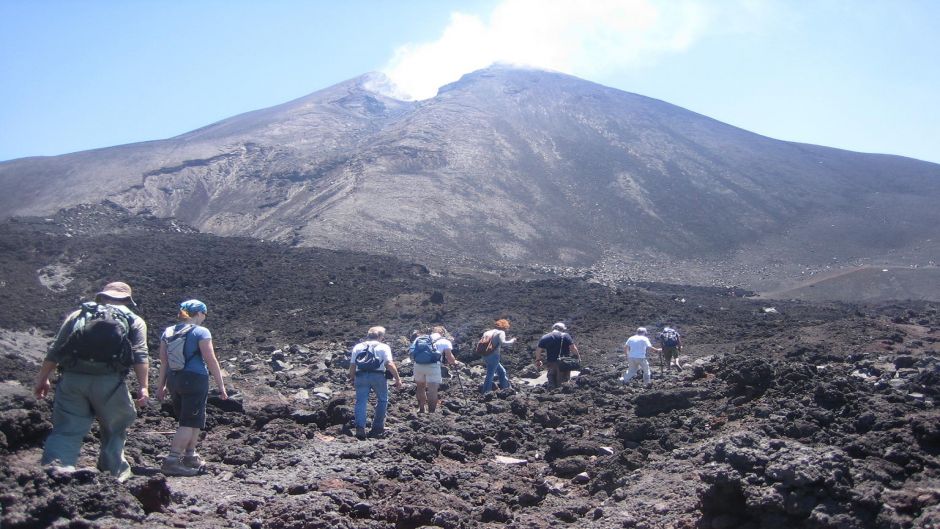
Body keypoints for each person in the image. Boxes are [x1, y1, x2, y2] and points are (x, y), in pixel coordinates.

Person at [33, 281, 149, 482]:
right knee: (115, 428)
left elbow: (56, 348)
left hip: (72, 380)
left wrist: (43, 378)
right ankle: (113, 476)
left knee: (66, 429)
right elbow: (140, 355)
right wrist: (143, 386)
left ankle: (56, 471)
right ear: (127, 301)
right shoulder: (134, 320)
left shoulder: (78, 315)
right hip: (109, 383)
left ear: (102, 297)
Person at [154, 299, 228, 476]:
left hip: (174, 379)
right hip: (195, 379)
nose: (204, 318)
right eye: (205, 314)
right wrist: (221, 385)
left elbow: (164, 361)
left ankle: (190, 455)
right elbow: (210, 359)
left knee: (193, 419)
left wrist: (160, 386)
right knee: (188, 422)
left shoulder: (168, 332)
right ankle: (172, 460)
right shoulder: (201, 331)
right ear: (200, 313)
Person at [348, 326, 402, 439]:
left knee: (361, 401)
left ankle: (360, 428)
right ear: (380, 337)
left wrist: (352, 378)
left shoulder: (358, 347)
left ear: (368, 335)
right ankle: (377, 427)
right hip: (378, 376)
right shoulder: (383, 347)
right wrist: (397, 379)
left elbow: (353, 365)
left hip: (361, 376)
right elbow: (389, 364)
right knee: (382, 400)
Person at [410, 326, 457, 413]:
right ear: (442, 333)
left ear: (432, 332)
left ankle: (421, 409)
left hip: (418, 365)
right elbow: (449, 357)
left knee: (420, 387)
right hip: (433, 366)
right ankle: (431, 413)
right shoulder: (445, 341)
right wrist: (454, 362)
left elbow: (412, 351)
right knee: (432, 390)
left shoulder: (420, 339)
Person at [534, 322, 581, 388]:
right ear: (562, 329)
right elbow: (573, 348)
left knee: (551, 377)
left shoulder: (545, 337)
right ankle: (562, 392)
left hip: (551, 363)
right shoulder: (565, 336)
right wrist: (578, 357)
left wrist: (538, 360)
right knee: (563, 383)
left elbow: (538, 350)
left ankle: (551, 392)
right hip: (564, 363)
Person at [479, 319, 515, 393]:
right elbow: (503, 343)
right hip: (494, 356)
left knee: (501, 371)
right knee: (490, 374)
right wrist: (512, 341)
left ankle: (507, 388)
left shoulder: (487, 332)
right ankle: (486, 392)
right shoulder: (501, 332)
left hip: (485, 355)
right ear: (505, 327)